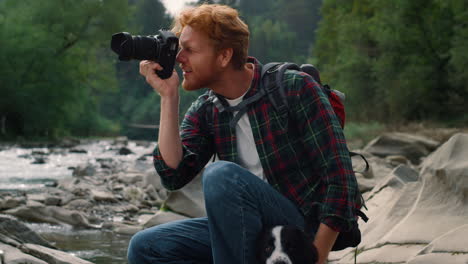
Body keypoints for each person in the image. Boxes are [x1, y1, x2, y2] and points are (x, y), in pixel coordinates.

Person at [127, 4, 359, 264]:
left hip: (301, 229)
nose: (179, 58)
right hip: (247, 228)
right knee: (145, 246)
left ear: (224, 56)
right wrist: (168, 97)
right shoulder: (206, 109)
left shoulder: (294, 88)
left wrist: (318, 256)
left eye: (189, 50)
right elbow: (173, 174)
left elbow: (341, 182)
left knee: (222, 175)